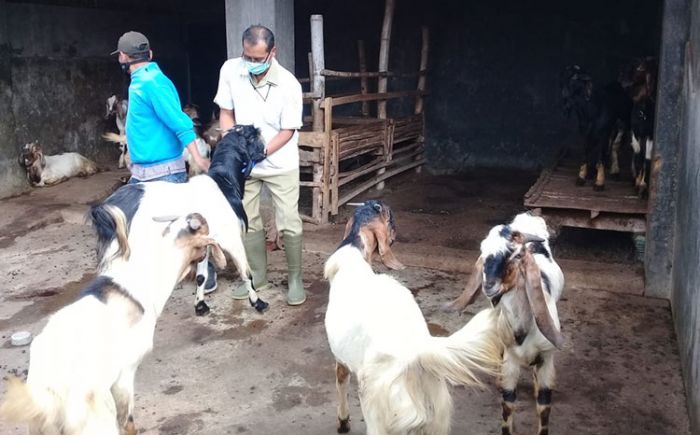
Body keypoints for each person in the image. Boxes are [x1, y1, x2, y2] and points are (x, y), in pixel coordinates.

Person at [111, 31, 217, 291]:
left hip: (163, 171)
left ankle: (206, 269)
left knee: (183, 225)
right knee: (143, 223)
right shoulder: (141, 81)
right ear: (150, 54)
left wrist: (197, 157)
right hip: (143, 171)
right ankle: (158, 271)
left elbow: (179, 121)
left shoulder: (152, 82)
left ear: (123, 57)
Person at [213, 25, 305, 306]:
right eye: (247, 57)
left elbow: (288, 130)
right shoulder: (230, 70)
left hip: (280, 162)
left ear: (272, 53)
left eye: (258, 59)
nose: (251, 64)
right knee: (248, 219)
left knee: (288, 220)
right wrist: (232, 143)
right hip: (246, 165)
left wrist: (260, 152)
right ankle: (257, 277)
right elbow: (226, 113)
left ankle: (295, 280)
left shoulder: (289, 84)